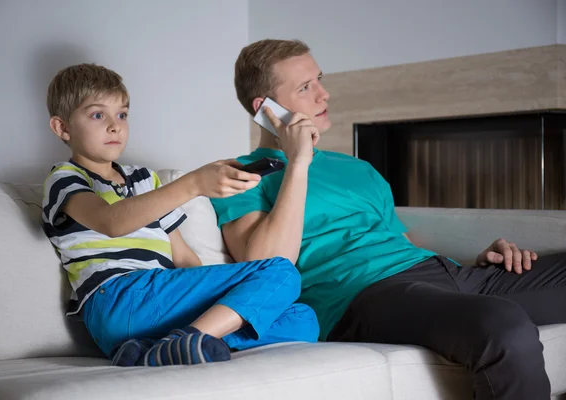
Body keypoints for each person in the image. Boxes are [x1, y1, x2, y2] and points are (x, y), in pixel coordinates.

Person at [210, 39, 566, 399]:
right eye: (306, 88)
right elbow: (266, 265)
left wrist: (478, 259)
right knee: (502, 325)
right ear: (265, 109)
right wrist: (297, 162)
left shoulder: (357, 168)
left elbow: (401, 247)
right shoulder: (243, 176)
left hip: (435, 276)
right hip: (361, 297)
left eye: (319, 80)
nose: (325, 95)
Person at [41, 63, 319, 367]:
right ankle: (187, 339)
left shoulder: (144, 180)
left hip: (153, 315)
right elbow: (112, 221)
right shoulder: (65, 179)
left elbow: (185, 260)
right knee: (280, 272)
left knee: (303, 320)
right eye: (98, 115)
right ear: (62, 128)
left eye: (122, 114)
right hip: (117, 300)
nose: (115, 125)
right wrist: (194, 184)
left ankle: (155, 349)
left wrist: (213, 296)